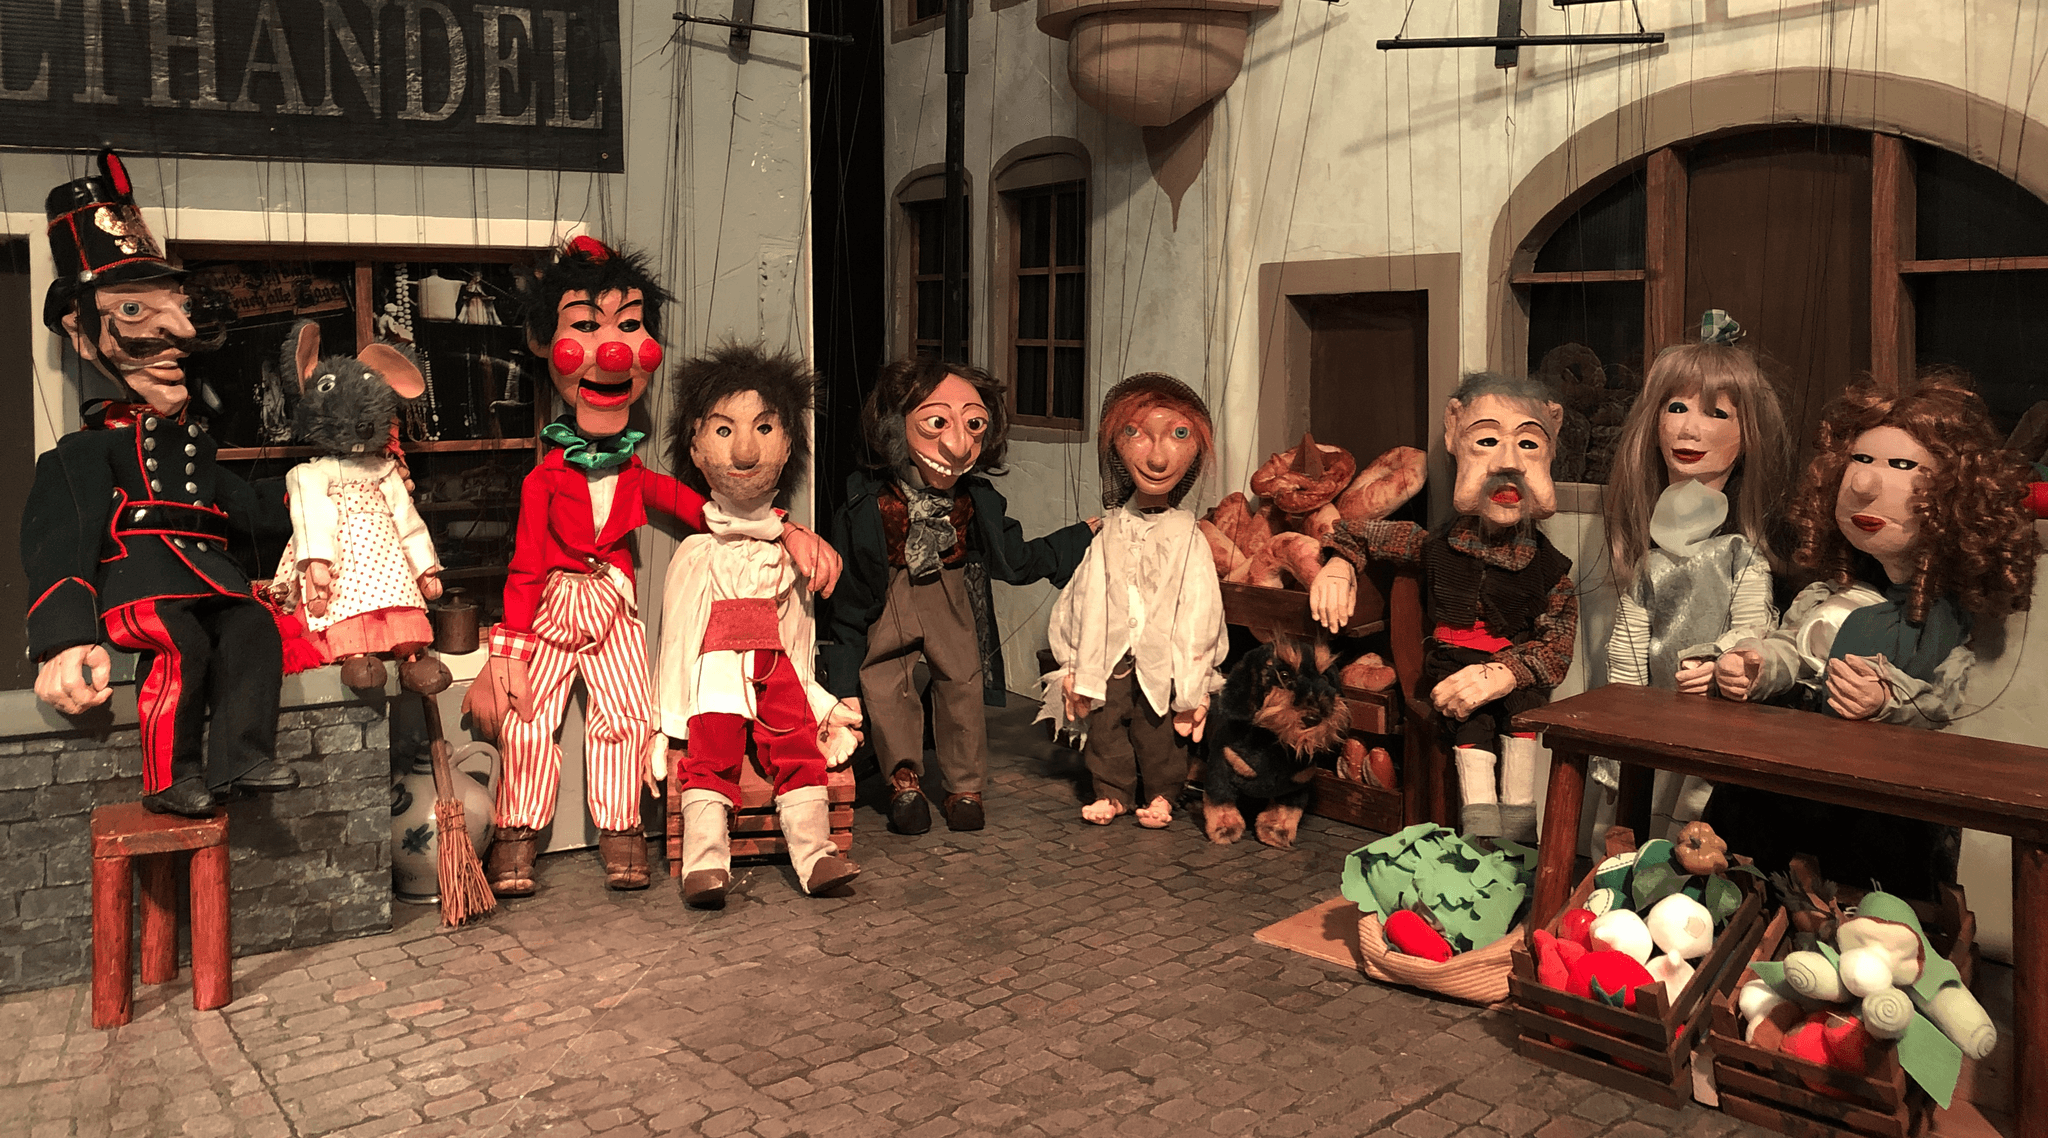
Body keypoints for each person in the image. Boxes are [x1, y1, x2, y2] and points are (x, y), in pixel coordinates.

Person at [463, 237, 840, 895]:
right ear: (545, 341)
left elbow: (718, 514)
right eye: (586, 327)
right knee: (528, 721)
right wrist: (508, 652)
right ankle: (516, 838)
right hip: (553, 603)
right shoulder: (542, 480)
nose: (612, 351)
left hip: (612, 603)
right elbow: (523, 567)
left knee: (623, 719)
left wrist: (789, 529)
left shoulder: (639, 477)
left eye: (629, 326)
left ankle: (622, 833)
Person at [22, 149, 296, 817]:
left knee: (253, 628)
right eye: (135, 311)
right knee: (181, 643)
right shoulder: (84, 453)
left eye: (181, 310)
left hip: (210, 577)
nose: (181, 334)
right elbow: (60, 545)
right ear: (81, 332)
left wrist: (325, 493)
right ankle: (169, 777)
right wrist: (62, 638)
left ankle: (244, 757)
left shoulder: (195, 446)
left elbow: (247, 511)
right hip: (142, 588)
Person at [1704, 370, 2039, 899]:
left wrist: (1886, 700)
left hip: (1876, 804)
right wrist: (1758, 665)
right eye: (1860, 459)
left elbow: (1942, 703)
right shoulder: (1829, 593)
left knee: (1869, 901)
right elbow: (1793, 649)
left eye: (1902, 465)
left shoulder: (1942, 616)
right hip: (1787, 778)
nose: (1863, 484)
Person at [822, 358, 1095, 835]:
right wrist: (843, 674)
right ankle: (903, 781)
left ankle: (965, 788)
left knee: (962, 685)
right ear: (896, 424)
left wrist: (1077, 538)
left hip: (949, 593)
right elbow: (848, 590)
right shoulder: (868, 502)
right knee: (887, 685)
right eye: (936, 423)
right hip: (889, 595)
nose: (958, 444)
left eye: (974, 424)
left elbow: (1015, 558)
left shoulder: (976, 500)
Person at [1310, 372, 1578, 842]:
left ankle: (1519, 842)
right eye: (1488, 440)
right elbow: (1356, 531)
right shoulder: (1432, 545)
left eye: (1529, 444)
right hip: (1453, 666)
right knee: (1471, 729)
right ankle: (1479, 839)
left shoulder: (1551, 569)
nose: (1509, 463)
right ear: (1454, 433)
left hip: (1511, 676)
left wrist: (1505, 673)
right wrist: (1338, 564)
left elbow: (1557, 648)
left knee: (1521, 727)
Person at [654, 346, 863, 907]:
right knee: (710, 754)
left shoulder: (789, 547)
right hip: (716, 672)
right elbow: (677, 638)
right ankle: (704, 863)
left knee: (797, 748)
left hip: (776, 667)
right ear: (696, 445)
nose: (745, 450)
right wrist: (665, 722)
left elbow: (799, 628)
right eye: (724, 430)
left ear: (788, 443)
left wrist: (813, 695)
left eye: (764, 428)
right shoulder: (697, 552)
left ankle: (816, 856)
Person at [1594, 312, 1792, 838]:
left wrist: (1719, 659)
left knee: (1693, 833)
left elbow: (1753, 630)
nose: (1688, 429)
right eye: (1676, 407)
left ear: (1748, 434)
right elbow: (1627, 648)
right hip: (1646, 725)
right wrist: (1619, 722)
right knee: (1624, 830)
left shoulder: (1740, 555)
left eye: (1716, 413)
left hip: (1714, 724)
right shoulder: (1647, 560)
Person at [1039, 373, 1226, 828]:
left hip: (1163, 657)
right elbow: (1083, 596)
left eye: (1178, 434)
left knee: (1159, 727)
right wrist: (1071, 661)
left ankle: (1162, 792)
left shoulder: (1187, 535)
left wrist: (1195, 681)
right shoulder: (1111, 530)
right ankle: (1112, 792)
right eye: (1135, 433)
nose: (1158, 457)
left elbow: (1201, 609)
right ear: (1116, 448)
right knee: (1105, 724)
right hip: (1109, 656)